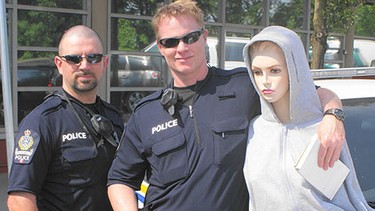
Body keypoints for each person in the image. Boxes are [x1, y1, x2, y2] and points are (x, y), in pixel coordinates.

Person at [107, 1, 345, 210]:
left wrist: (333, 116)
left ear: (204, 36)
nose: (181, 48)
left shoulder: (244, 86)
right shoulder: (146, 112)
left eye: (190, 37)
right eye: (170, 42)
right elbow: (120, 180)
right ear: (160, 47)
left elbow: (311, 93)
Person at [242, 25, 372, 210]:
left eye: (275, 70)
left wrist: (333, 115)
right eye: (257, 72)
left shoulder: (324, 129)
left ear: (294, 71)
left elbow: (350, 196)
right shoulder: (255, 130)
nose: (265, 80)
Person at [7, 25, 124, 211]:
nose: (84, 66)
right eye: (74, 59)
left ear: (105, 63)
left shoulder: (113, 117)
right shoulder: (42, 122)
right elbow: (19, 200)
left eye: (93, 57)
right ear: (59, 64)